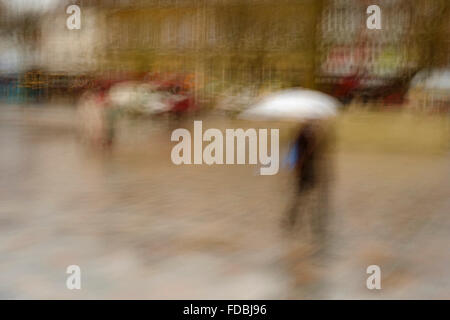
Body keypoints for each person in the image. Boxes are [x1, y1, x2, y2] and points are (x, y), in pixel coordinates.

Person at [283, 120, 331, 242]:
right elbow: (298, 151)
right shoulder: (303, 134)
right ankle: (296, 220)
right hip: (306, 170)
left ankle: (297, 221)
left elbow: (312, 152)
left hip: (309, 170)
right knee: (301, 197)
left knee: (303, 197)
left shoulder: (310, 134)